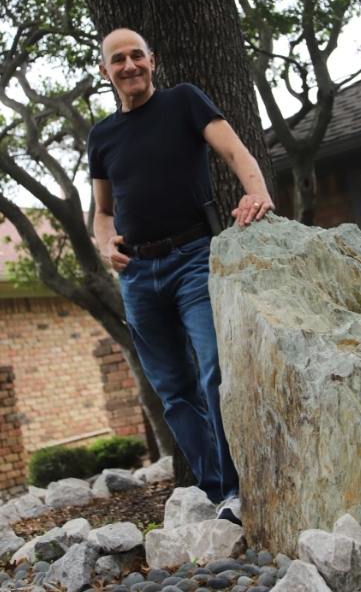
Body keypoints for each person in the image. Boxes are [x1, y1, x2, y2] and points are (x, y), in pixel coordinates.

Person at [88, 28, 274, 524]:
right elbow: (102, 213)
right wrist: (106, 242)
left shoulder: (184, 102)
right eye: (117, 60)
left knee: (212, 369)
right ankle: (219, 493)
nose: (129, 66)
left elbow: (236, 153)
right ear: (105, 71)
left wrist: (256, 192)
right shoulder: (101, 136)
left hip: (193, 256)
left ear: (152, 60)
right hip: (138, 276)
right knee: (173, 390)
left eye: (136, 56)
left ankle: (238, 487)